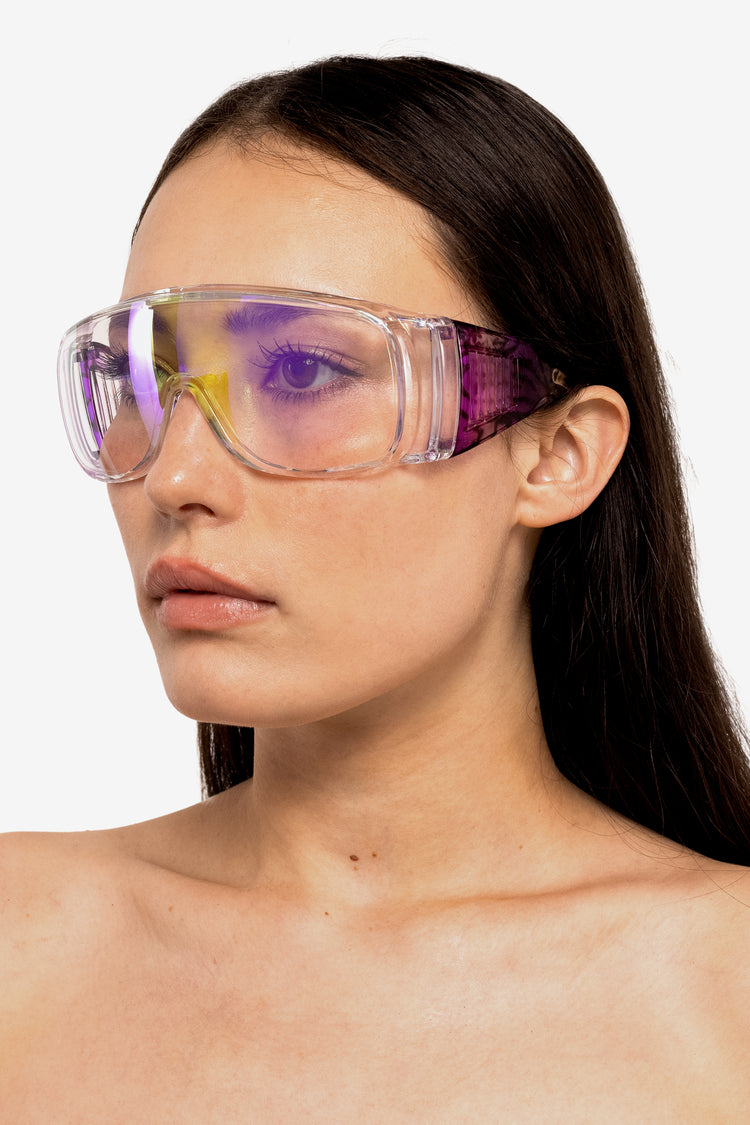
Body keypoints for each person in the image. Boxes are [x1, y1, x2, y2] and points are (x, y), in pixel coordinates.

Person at [3, 55, 749, 1119]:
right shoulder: (21, 950)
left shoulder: (724, 996)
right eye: (137, 380)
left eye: (304, 372)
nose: (174, 476)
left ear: (555, 456)